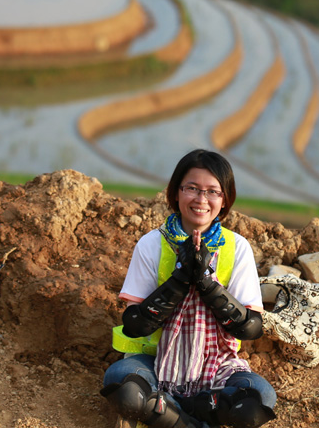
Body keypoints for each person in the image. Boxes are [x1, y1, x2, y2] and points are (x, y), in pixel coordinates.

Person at [101, 149, 277, 428]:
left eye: (212, 192)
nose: (201, 199)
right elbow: (134, 324)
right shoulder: (151, 244)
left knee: (259, 400)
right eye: (192, 188)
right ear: (176, 193)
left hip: (218, 366)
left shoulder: (236, 247)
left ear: (224, 199)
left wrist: (207, 284)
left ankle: (173, 411)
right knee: (124, 388)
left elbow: (250, 327)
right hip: (154, 361)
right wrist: (180, 280)